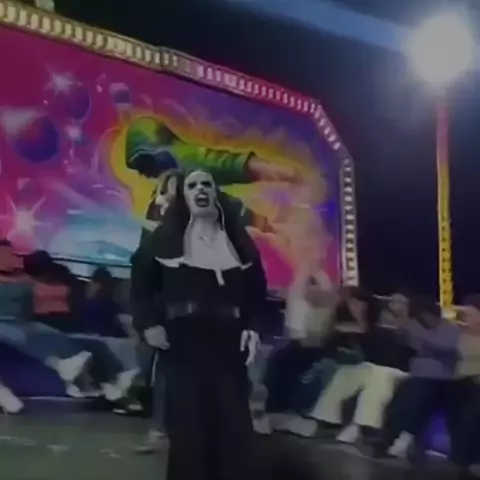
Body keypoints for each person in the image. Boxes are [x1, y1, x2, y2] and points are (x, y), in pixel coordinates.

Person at [131, 169, 267, 480]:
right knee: (189, 425)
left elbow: (257, 292)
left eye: (207, 184)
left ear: (216, 193)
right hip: (183, 339)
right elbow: (141, 287)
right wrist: (149, 324)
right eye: (193, 186)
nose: (201, 189)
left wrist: (254, 326)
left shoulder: (239, 241)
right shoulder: (163, 239)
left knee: (233, 424)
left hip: (228, 341)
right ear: (185, 195)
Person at [0, 242, 92, 398]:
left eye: (11, 254)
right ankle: (56, 364)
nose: (11, 258)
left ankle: (75, 379)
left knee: (50, 333)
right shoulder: (21, 282)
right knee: (18, 336)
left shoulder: (24, 280)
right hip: (3, 323)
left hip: (21, 321)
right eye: (5, 254)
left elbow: (30, 305)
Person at [372, 296, 459, 459]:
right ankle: (392, 438)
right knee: (399, 398)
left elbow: (444, 346)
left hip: (440, 379)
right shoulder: (415, 328)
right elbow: (410, 345)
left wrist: (418, 334)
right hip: (416, 375)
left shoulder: (450, 328)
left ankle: (398, 439)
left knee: (416, 396)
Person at [335, 292, 413, 444]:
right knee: (353, 373)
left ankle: (358, 426)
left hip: (401, 371)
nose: (397, 306)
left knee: (380, 375)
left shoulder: (414, 328)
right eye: (394, 302)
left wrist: (402, 327)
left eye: (402, 303)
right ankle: (330, 421)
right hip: (374, 366)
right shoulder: (378, 326)